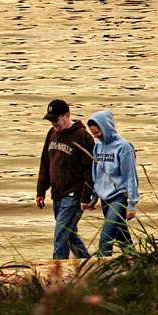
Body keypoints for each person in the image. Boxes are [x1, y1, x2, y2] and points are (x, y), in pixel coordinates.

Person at [36, 99, 95, 260]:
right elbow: (45, 163)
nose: (53, 123)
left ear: (67, 115)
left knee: (60, 234)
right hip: (57, 194)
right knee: (69, 235)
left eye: (55, 119)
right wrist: (41, 191)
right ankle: (87, 264)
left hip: (74, 196)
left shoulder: (82, 136)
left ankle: (58, 271)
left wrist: (85, 197)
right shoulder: (52, 134)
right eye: (50, 120)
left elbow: (91, 170)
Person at [85, 109, 139, 256]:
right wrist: (94, 196)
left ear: (106, 127)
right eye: (94, 134)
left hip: (119, 197)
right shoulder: (98, 146)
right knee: (122, 237)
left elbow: (130, 177)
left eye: (98, 132)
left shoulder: (124, 147)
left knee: (105, 238)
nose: (96, 136)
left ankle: (101, 272)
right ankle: (135, 263)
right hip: (104, 198)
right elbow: (97, 172)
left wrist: (131, 204)